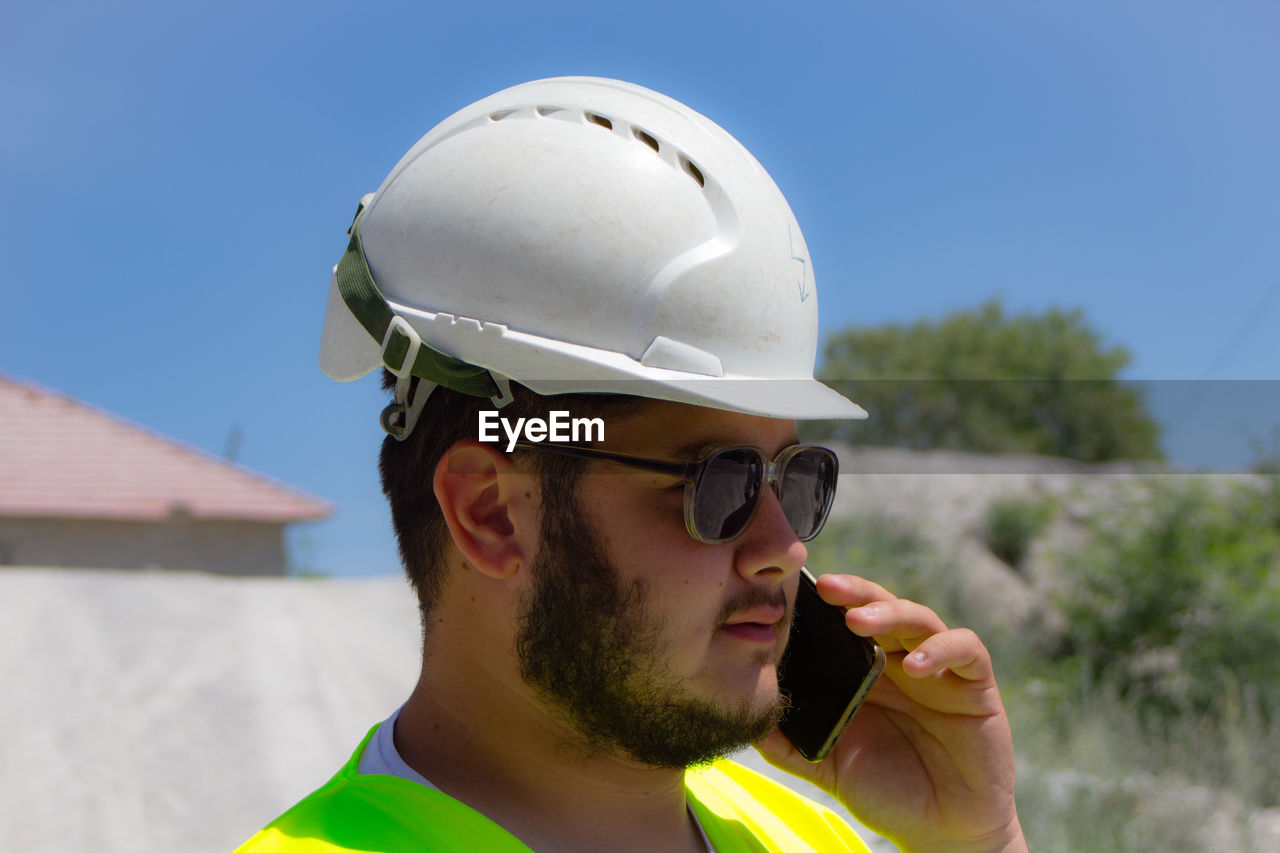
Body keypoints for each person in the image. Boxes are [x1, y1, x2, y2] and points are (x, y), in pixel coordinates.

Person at [237, 77, 1027, 852]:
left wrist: (977, 841)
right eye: (719, 482)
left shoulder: (802, 833)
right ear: (492, 511)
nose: (786, 546)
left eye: (796, 477)